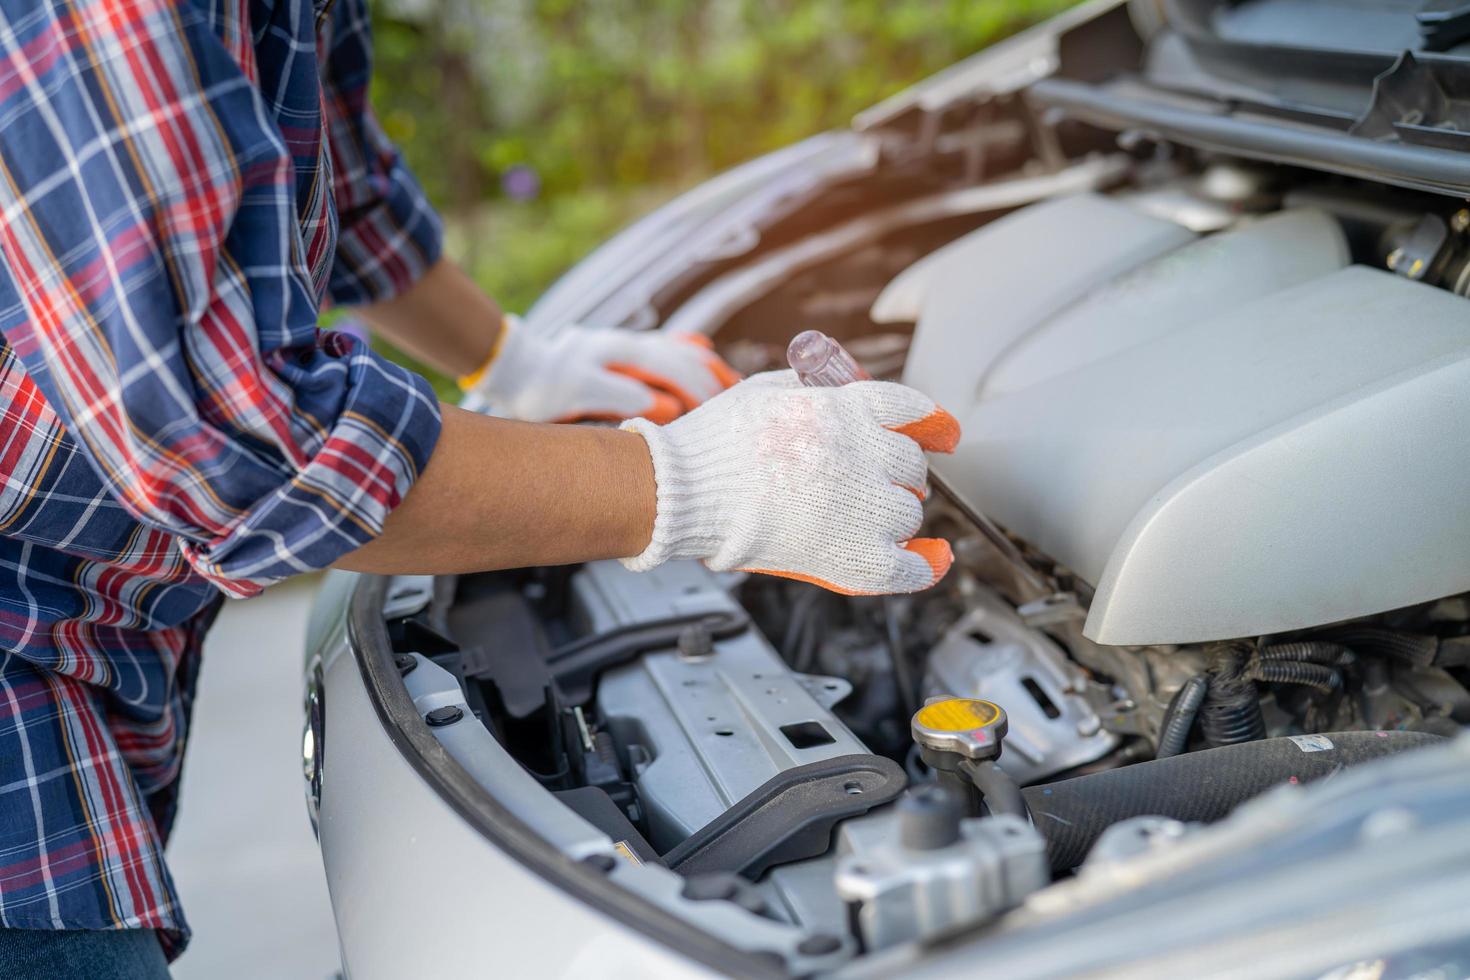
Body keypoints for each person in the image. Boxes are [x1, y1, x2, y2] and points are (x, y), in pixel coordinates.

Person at [0, 0, 959, 975]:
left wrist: (516, 362)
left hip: (78, 636)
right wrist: (688, 482)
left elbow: (333, 176)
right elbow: (243, 446)